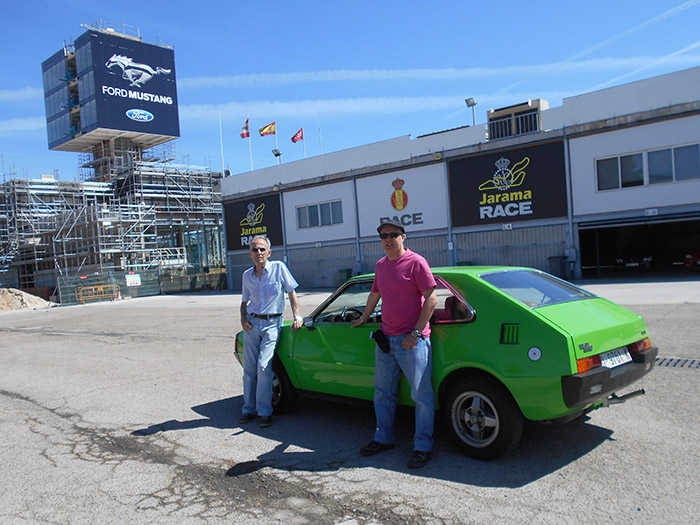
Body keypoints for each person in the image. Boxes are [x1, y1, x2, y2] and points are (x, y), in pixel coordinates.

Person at [351, 219, 437, 469]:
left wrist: (416, 333)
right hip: (386, 340)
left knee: (421, 395)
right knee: (383, 393)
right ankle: (383, 438)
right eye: (384, 236)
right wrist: (364, 318)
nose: (388, 239)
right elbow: (375, 294)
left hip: (412, 342)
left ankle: (423, 447)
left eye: (393, 235)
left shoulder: (416, 262)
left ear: (403, 237)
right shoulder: (380, 265)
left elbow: (431, 298)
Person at [239, 234, 303, 428]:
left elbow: (291, 292)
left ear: (269, 252)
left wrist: (297, 316)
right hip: (252, 325)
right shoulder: (246, 276)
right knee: (249, 369)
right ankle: (248, 409)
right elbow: (244, 302)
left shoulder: (279, 269)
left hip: (272, 325)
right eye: (254, 249)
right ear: (250, 253)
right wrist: (243, 319)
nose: (258, 252)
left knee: (264, 367)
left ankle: (265, 412)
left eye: (261, 249)